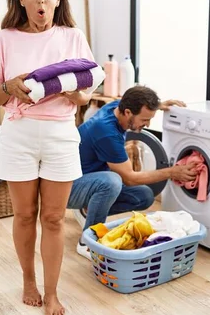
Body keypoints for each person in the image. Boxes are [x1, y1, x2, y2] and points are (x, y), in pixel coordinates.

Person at [0, 0, 92, 315]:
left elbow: (86, 94)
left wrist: (74, 93)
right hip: (19, 133)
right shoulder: (5, 39)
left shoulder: (72, 37)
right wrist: (8, 86)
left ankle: (53, 292)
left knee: (55, 218)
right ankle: (28, 282)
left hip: (60, 134)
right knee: (25, 215)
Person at [66, 85, 198, 258]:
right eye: (145, 119)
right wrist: (173, 172)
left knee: (144, 196)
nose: (147, 124)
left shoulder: (117, 107)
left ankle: (91, 209)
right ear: (128, 113)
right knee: (111, 181)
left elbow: (135, 101)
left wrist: (159, 105)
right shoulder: (106, 131)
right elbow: (129, 178)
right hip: (68, 188)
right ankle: (87, 242)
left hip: (88, 179)